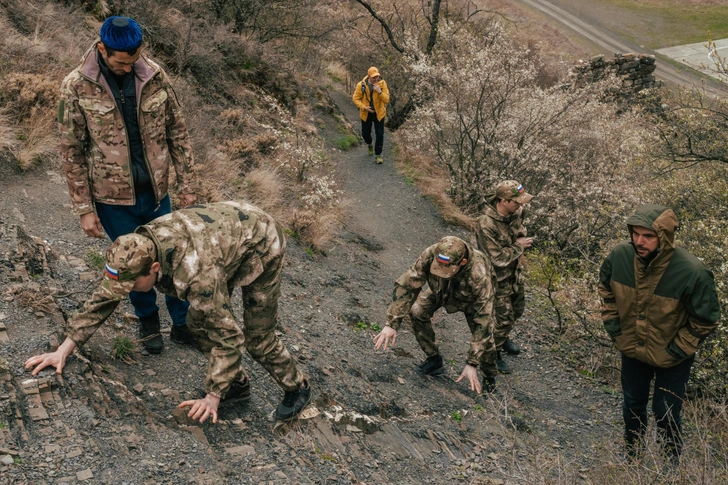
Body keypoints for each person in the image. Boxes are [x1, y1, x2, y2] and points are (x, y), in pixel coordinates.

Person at [25, 201, 312, 424]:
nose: (129, 291)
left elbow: (230, 337)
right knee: (196, 324)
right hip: (225, 235)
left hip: (261, 241)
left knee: (256, 339)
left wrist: (212, 398)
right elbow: (106, 297)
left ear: (154, 269)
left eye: (133, 285)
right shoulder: (134, 250)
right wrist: (64, 349)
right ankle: (235, 383)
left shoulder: (195, 276)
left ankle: (297, 386)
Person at [58, 16, 199, 354]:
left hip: (156, 191)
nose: (127, 68)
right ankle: (148, 321)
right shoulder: (75, 86)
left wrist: (188, 184)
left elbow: (177, 132)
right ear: (103, 49)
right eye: (121, 62)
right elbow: (70, 150)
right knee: (133, 262)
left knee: (170, 257)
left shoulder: (154, 75)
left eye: (133, 60)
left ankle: (183, 324)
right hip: (111, 199)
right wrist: (83, 209)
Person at [598, 204, 720, 459]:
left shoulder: (692, 272)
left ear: (663, 237)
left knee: (665, 411)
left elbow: (705, 320)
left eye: (648, 236)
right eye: (636, 233)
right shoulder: (620, 256)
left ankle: (670, 461)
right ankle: (633, 455)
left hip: (672, 357)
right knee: (632, 405)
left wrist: (677, 350)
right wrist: (616, 330)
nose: (639, 241)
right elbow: (606, 290)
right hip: (631, 349)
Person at [373, 236, 498, 394]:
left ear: (463, 263)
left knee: (486, 339)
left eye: (445, 269)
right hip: (440, 290)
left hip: (471, 300)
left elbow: (485, 320)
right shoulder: (431, 254)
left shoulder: (480, 275)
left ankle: (489, 378)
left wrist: (472, 363)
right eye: (437, 267)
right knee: (417, 310)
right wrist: (392, 323)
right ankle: (434, 359)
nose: (439, 270)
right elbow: (408, 284)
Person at [475, 180, 533, 374]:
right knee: (503, 318)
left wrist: (519, 243)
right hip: (496, 277)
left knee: (517, 308)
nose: (520, 205)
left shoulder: (515, 211)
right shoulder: (486, 224)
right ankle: (494, 351)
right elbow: (497, 258)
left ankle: (502, 336)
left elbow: (520, 230)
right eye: (516, 202)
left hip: (513, 273)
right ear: (503, 200)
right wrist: (519, 247)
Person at [352, 66, 390, 164]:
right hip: (366, 113)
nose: (375, 79)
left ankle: (378, 155)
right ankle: (369, 144)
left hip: (379, 113)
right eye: (373, 77)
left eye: (377, 77)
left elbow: (386, 100)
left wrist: (379, 91)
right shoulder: (361, 85)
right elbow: (355, 99)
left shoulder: (382, 84)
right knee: (365, 134)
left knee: (380, 134)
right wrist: (364, 107)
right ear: (369, 76)